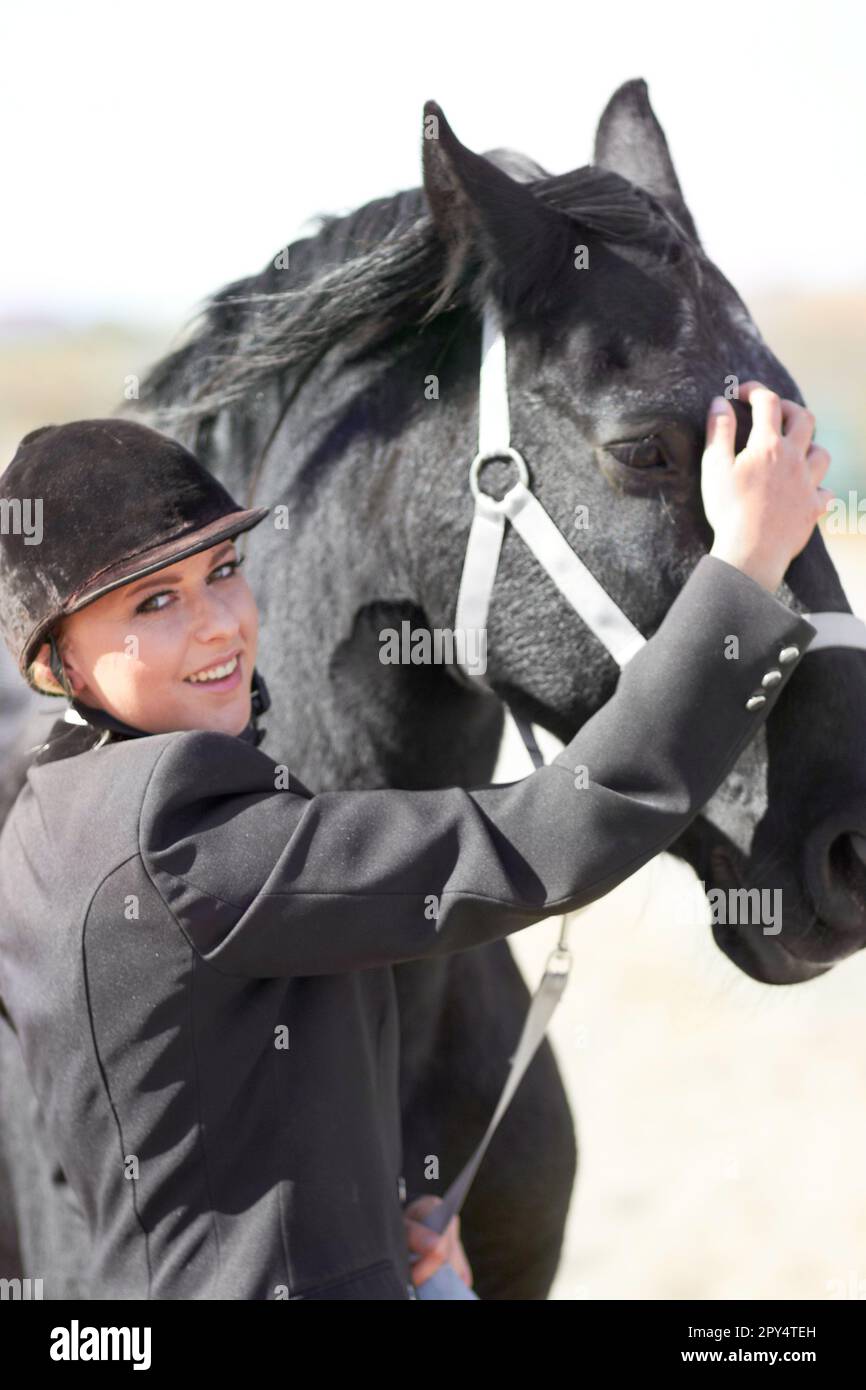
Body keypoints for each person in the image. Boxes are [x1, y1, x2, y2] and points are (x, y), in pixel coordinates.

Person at [0, 389, 831, 1300]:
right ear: (56, 666)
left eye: (224, 570)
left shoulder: (52, 812)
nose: (218, 624)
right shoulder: (174, 832)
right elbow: (552, 837)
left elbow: (192, 1140)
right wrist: (746, 568)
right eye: (155, 601)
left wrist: (361, 1239)